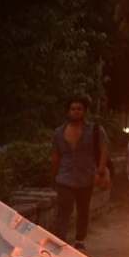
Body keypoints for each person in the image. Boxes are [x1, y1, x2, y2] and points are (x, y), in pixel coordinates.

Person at [51, 95, 111, 246]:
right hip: (64, 177)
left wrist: (101, 170)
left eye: (79, 109)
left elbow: (104, 149)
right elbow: (56, 155)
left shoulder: (95, 130)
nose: (76, 112)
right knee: (64, 209)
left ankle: (79, 239)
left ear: (84, 111)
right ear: (68, 111)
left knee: (83, 210)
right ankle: (60, 240)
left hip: (86, 176)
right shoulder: (59, 132)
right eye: (73, 109)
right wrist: (53, 175)